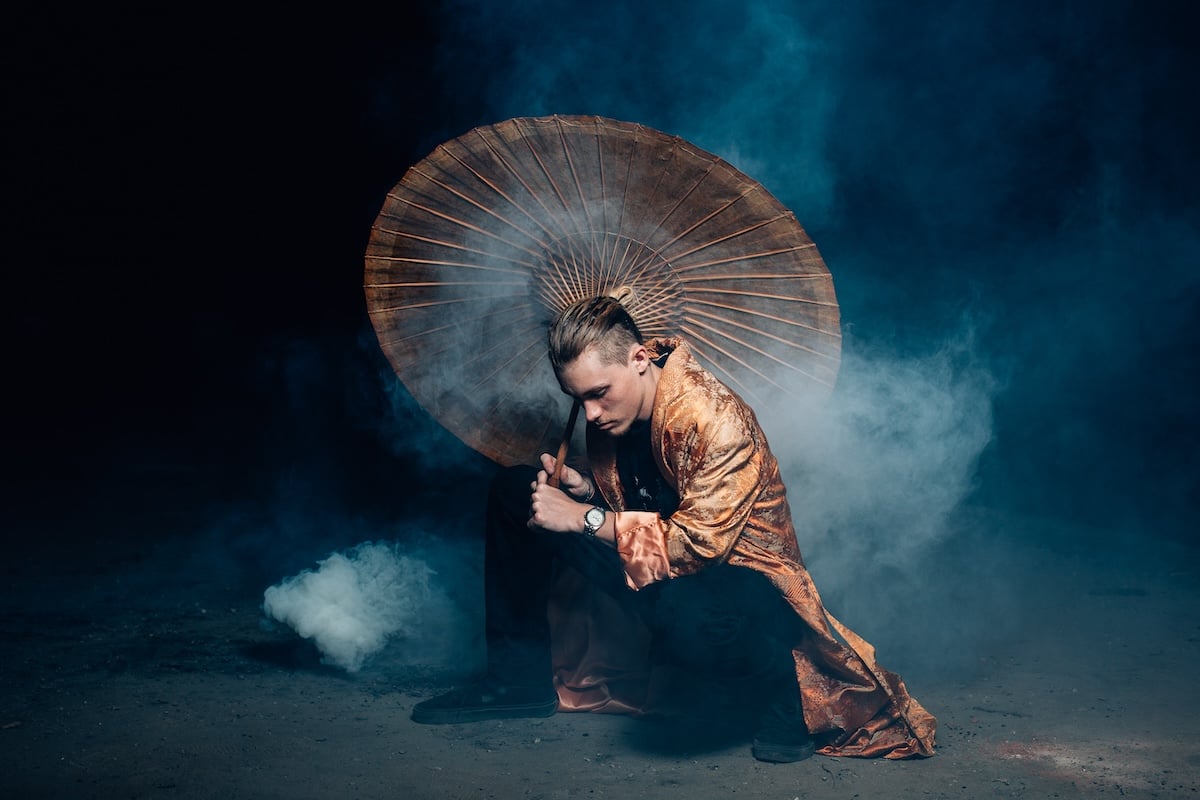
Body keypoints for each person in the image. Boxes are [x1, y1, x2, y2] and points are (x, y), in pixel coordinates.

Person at [410, 294, 936, 762]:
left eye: (599, 393)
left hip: (737, 586)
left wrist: (581, 518)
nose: (590, 414)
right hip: (653, 566)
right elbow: (641, 497)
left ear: (639, 358)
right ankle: (516, 681)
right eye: (578, 399)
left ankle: (783, 693)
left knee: (691, 613)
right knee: (513, 491)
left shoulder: (718, 422)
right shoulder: (618, 409)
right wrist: (584, 490)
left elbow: (695, 547)